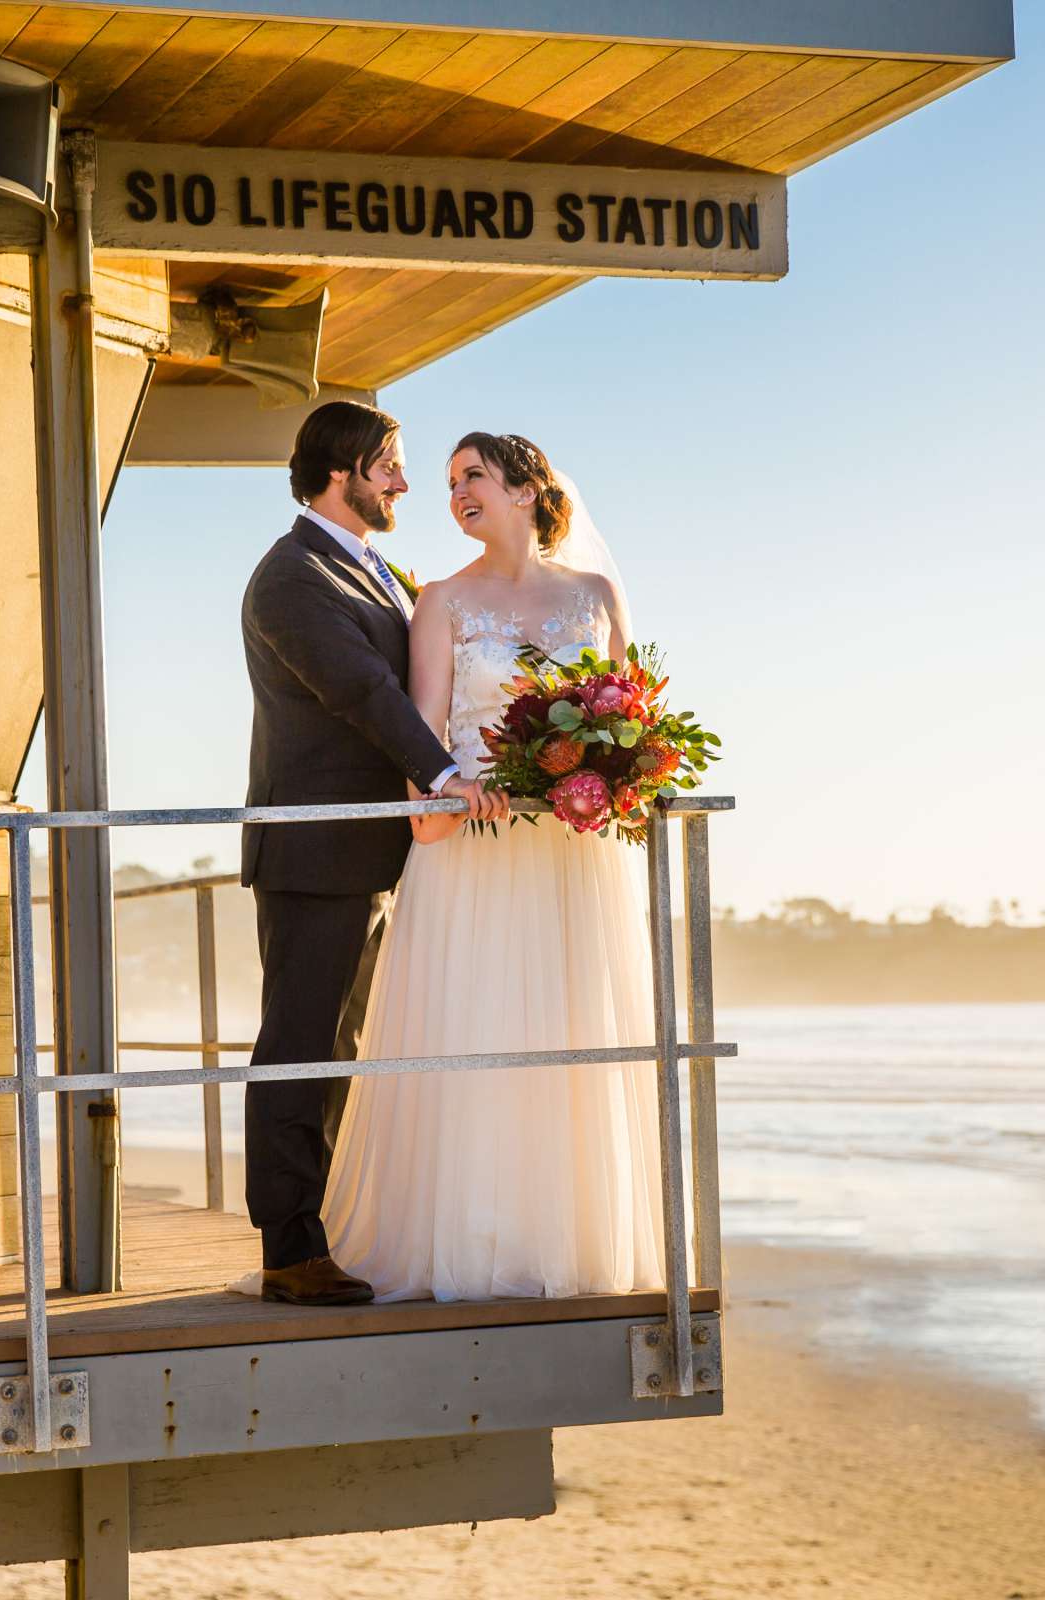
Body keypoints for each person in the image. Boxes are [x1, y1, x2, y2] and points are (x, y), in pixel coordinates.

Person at [319, 432, 667, 1301]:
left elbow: (630, 717)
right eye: (447, 484)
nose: (456, 494)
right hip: (473, 848)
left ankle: (567, 1244)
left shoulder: (595, 594)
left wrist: (612, 779)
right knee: (476, 1033)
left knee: (563, 1031)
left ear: (524, 486)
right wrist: (438, 808)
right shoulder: (440, 601)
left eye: (472, 476)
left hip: (568, 857)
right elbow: (423, 729)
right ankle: (471, 1245)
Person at [239, 400, 505, 1306]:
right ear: (340, 468)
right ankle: (288, 1246)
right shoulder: (289, 579)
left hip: (382, 851)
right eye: (388, 464)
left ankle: (337, 1223)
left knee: (351, 1046)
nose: (401, 482)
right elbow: (362, 692)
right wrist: (441, 774)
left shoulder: (380, 571)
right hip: (315, 851)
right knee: (301, 1046)